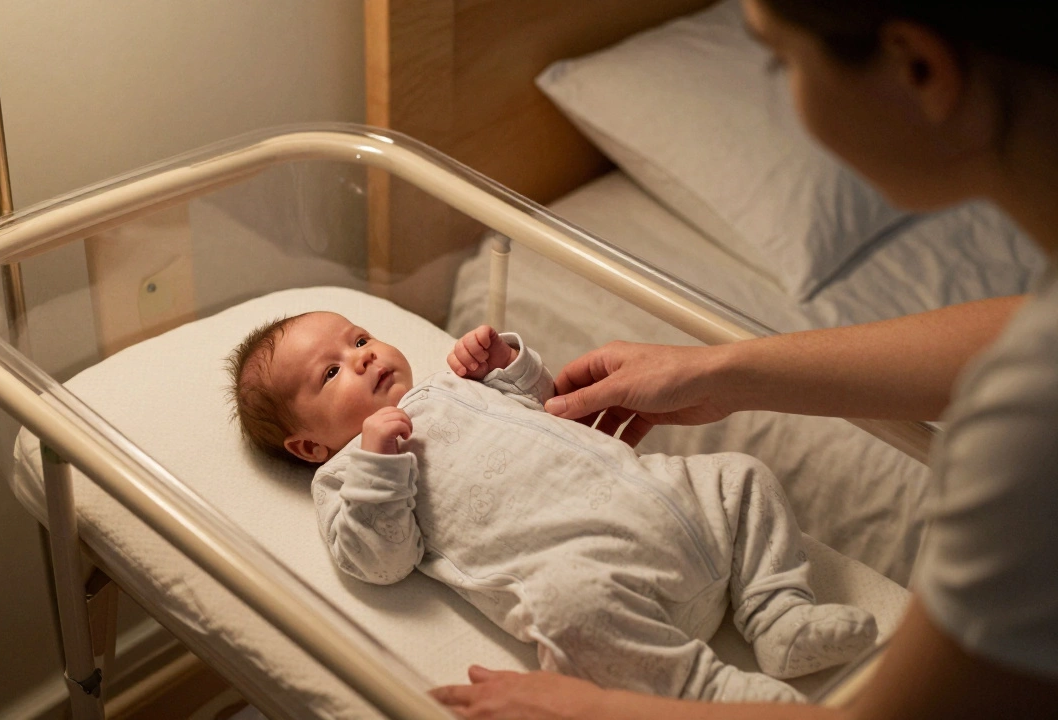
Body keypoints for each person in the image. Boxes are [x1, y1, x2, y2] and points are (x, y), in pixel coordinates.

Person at [430, 0, 1058, 717]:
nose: (782, 95)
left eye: (778, 60)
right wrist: (724, 371)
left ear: (918, 67)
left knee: (738, 484)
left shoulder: (1027, 436)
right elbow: (1017, 332)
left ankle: (777, 614)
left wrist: (595, 709)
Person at [228, 312, 878, 702]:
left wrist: (506, 360)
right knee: (567, 608)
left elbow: (547, 404)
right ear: (310, 444)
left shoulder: (449, 384)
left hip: (667, 504)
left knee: (741, 476)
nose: (362, 355)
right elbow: (381, 561)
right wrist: (378, 463)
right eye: (331, 373)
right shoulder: (349, 473)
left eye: (359, 337)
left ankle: (777, 613)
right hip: (596, 572)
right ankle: (704, 690)